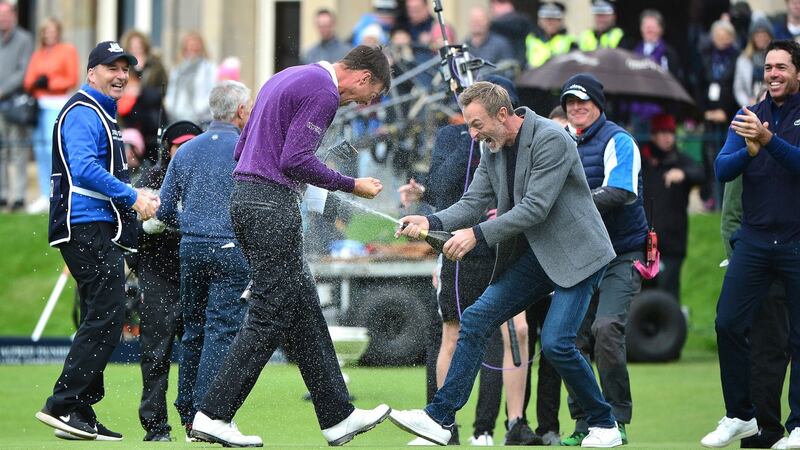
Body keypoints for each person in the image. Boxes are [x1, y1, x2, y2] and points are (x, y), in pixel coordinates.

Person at [389, 81, 622, 448]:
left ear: (502, 114)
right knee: (478, 318)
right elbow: (473, 201)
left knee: (559, 343)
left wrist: (475, 235)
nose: (472, 133)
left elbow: (534, 208)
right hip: (538, 255)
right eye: (468, 124)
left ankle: (604, 423)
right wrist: (429, 221)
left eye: (477, 123)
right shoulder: (491, 146)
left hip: (580, 255)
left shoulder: (552, 139)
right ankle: (440, 418)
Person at [189, 45, 391, 448]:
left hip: (246, 199)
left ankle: (338, 418)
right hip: (271, 206)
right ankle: (213, 415)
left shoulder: (286, 75)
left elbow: (240, 148)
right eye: (370, 94)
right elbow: (295, 159)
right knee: (268, 314)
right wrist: (351, 184)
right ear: (364, 77)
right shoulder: (325, 92)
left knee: (306, 313)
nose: (365, 102)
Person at [34, 40, 159, 441]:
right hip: (83, 225)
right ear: (92, 74)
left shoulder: (99, 112)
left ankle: (79, 411)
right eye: (112, 68)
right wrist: (133, 196)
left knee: (101, 314)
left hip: (93, 225)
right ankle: (64, 405)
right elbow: (85, 169)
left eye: (126, 69)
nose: (121, 75)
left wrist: (137, 195)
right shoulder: (84, 111)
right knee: (106, 314)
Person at [701, 38, 800, 449]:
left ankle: (798, 424)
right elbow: (723, 170)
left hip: (797, 241)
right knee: (727, 321)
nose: (773, 73)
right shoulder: (748, 117)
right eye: (767, 67)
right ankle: (741, 415)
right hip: (756, 242)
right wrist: (749, 147)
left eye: (781, 67)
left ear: (797, 73)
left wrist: (769, 141)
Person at [156, 81, 254, 442]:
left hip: (191, 249)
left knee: (194, 330)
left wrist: (194, 225)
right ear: (241, 111)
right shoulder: (247, 148)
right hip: (231, 249)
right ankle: (206, 414)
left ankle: (186, 413)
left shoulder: (185, 151)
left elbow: (165, 210)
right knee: (221, 330)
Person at [559, 73, 648, 447]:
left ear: (598, 105)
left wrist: (566, 205)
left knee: (606, 328)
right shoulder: (560, 140)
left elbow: (621, 192)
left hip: (621, 253)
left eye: (584, 101)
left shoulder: (619, 140)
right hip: (580, 256)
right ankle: (586, 422)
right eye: (570, 102)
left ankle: (616, 419)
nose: (576, 108)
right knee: (569, 340)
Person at [720, 119, 790, 449]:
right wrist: (738, 255)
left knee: (773, 348)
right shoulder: (747, 144)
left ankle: (770, 429)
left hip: (788, 250)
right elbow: (731, 210)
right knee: (764, 349)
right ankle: (764, 430)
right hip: (757, 258)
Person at [133, 120, 202, 442]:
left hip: (197, 275)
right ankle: (156, 427)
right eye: (179, 145)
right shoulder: (148, 181)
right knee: (156, 354)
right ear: (167, 149)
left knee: (199, 352)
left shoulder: (209, 178)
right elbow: (130, 234)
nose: (185, 151)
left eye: (191, 144)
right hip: (158, 276)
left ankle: (196, 421)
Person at [640, 113, 705, 302]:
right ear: (653, 135)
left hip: (671, 243)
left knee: (668, 294)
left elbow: (700, 173)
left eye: (670, 132)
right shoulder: (643, 162)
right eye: (661, 132)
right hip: (644, 242)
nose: (667, 137)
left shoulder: (680, 160)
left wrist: (683, 174)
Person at [22, 17, 79, 214]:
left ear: (59, 32)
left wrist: (50, 83)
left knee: (51, 148)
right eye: (46, 31)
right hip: (39, 104)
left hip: (57, 104)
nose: (50, 34)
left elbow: (71, 78)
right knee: (39, 149)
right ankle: (44, 192)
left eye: (53, 30)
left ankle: (58, 192)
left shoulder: (67, 50)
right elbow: (29, 79)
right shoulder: (38, 53)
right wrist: (38, 83)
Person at [697, 19, 740, 210]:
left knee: (727, 155)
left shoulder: (737, 57)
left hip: (728, 115)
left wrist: (724, 110)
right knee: (708, 156)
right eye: (718, 36)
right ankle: (710, 196)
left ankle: (725, 198)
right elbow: (698, 84)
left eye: (726, 36)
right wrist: (705, 111)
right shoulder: (706, 56)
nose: (722, 39)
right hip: (708, 113)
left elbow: (735, 86)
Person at [0, 1, 33, 212]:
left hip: (15, 103)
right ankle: (2, 194)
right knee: (1, 150)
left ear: (14, 16)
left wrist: (2, 90)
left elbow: (24, 71)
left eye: (6, 16)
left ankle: (19, 196)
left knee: (18, 149)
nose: (3, 20)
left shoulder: (24, 39)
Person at [120, 29, 169, 165]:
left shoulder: (156, 66)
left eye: (139, 46)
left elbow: (162, 91)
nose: (137, 49)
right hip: (129, 118)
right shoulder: (124, 66)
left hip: (152, 118)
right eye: (133, 46)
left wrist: (140, 90)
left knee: (153, 157)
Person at [165, 31, 216, 126]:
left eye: (194, 48)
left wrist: (197, 111)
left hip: (202, 120)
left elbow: (212, 92)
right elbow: (171, 91)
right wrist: (172, 109)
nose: (191, 50)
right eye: (188, 47)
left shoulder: (208, 68)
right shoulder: (177, 68)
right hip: (177, 119)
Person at [734, 17, 774, 109]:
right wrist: (748, 103)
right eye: (757, 35)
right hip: (750, 106)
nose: (761, 38)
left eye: (764, 34)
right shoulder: (743, 59)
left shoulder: (776, 57)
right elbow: (738, 88)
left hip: (772, 105)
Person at [525, 2, 576, 69]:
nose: (550, 23)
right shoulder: (530, 39)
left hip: (560, 76)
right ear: (540, 21)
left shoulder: (570, 41)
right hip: (534, 76)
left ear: (560, 22)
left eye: (554, 19)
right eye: (547, 19)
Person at [488, 0, 533, 70]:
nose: (492, 10)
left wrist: (490, 24)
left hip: (515, 69)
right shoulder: (519, 22)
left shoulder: (513, 22)